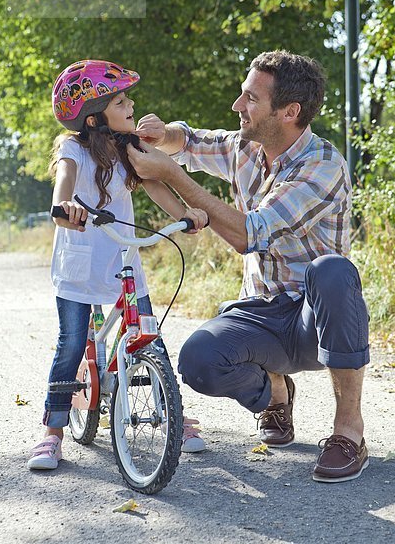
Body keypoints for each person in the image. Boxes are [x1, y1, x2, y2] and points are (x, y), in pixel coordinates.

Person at [126, 50, 370, 483]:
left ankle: (348, 431)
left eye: (250, 99)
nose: (238, 106)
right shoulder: (247, 147)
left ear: (289, 112)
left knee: (331, 270)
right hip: (262, 313)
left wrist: (172, 176)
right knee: (199, 360)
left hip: (314, 320)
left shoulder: (322, 165)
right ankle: (276, 392)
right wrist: (165, 134)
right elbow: (190, 141)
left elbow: (249, 234)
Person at [27, 60, 208, 471]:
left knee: (147, 333)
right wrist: (65, 206)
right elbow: (65, 182)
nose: (131, 105)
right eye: (121, 101)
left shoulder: (130, 148)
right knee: (72, 343)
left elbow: (156, 185)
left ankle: (172, 415)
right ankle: (53, 431)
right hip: (79, 263)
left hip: (122, 257)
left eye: (128, 98)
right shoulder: (73, 148)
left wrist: (186, 213)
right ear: (94, 118)